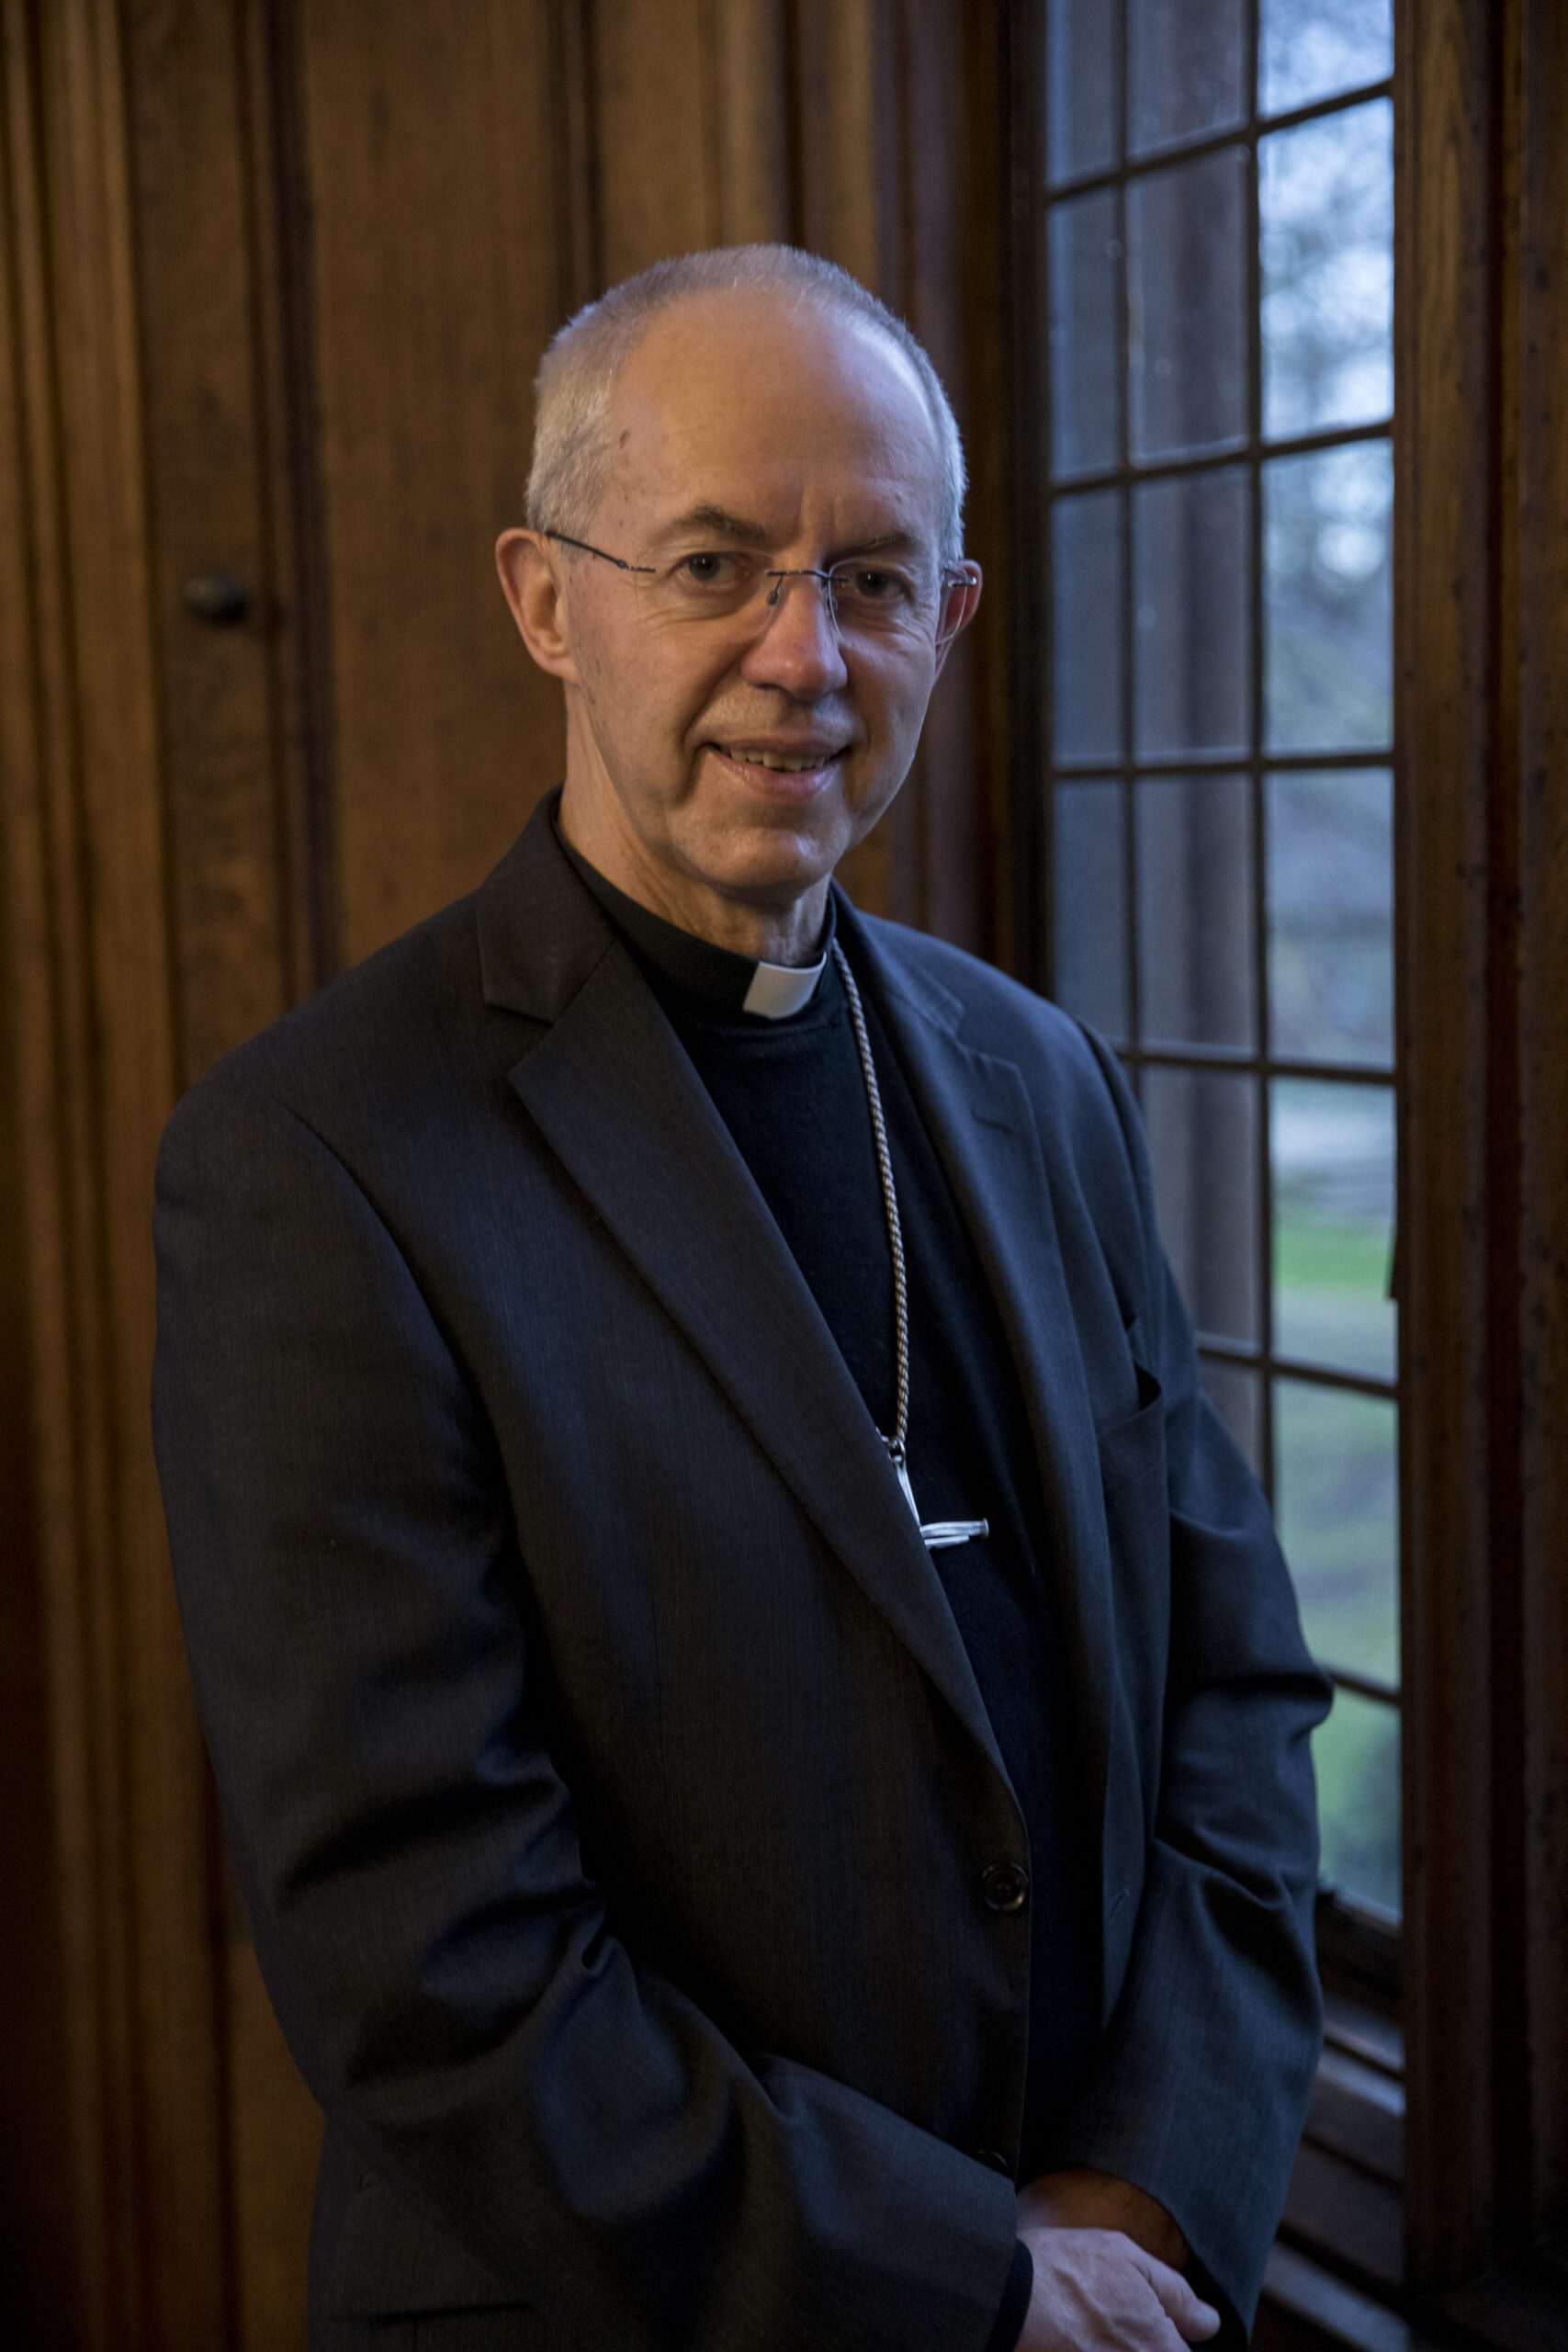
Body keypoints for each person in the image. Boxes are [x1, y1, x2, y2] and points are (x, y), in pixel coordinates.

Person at [152, 245, 1330, 2352]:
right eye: (712, 562)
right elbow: (430, 1961)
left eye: (874, 578)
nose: (803, 654)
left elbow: (1231, 1698)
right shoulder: (321, 1161)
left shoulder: (1030, 1077)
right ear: (544, 596)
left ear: (947, 624)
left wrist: (1138, 2197)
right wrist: (972, 2278)